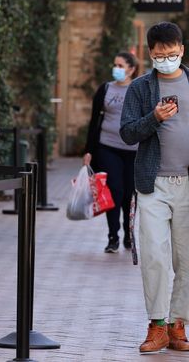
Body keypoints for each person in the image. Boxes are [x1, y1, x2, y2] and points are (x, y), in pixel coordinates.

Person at [120, 22, 189, 354]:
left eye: (172, 54)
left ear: (182, 50)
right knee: (154, 256)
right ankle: (157, 324)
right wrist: (154, 118)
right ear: (150, 54)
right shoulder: (140, 88)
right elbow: (128, 133)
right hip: (153, 184)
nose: (166, 59)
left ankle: (178, 324)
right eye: (160, 55)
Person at [83, 52, 139, 253]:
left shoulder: (139, 90)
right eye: (115, 64)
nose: (116, 68)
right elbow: (94, 121)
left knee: (129, 194)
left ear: (132, 69)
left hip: (133, 150)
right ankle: (113, 236)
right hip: (107, 147)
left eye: (121, 65)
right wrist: (89, 150)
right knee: (114, 190)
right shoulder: (105, 89)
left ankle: (129, 235)